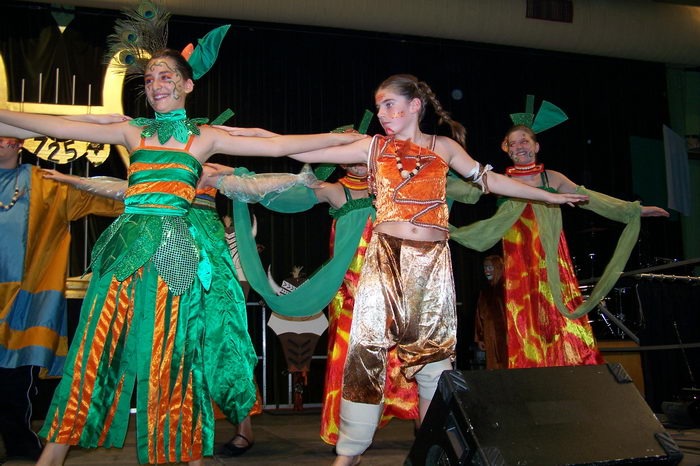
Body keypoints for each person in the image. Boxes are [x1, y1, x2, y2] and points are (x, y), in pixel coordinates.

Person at [0, 39, 364, 464]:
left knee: (174, 355)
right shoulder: (132, 130)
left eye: (166, 76)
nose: (156, 84)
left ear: (188, 85)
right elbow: (55, 128)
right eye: (150, 78)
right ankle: (51, 456)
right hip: (124, 254)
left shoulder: (203, 137)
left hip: (176, 255)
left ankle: (185, 451)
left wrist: (354, 144)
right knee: (94, 351)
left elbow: (278, 146)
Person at [219, 74, 588, 465]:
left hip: (431, 266)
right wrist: (233, 135)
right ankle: (348, 453)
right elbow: (288, 146)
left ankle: (430, 450)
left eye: (390, 104)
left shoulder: (443, 147)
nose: (382, 113)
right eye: (378, 106)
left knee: (433, 359)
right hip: (385, 259)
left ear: (415, 106)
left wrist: (550, 195)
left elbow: (491, 181)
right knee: (366, 353)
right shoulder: (373, 148)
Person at [451, 119, 669, 369]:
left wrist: (636, 210)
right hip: (519, 261)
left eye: (525, 140)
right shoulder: (501, 181)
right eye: (513, 143)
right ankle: (531, 370)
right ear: (506, 149)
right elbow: (465, 190)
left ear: (536, 145)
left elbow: (593, 199)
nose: (519, 146)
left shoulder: (552, 178)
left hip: (553, 259)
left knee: (561, 308)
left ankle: (574, 366)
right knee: (525, 314)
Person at [0, 122, 124, 462]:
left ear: (19, 143)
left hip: (24, 299)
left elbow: (103, 198)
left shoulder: (47, 183)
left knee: (13, 378)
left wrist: (149, 193)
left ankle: (20, 443)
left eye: (5, 135)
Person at [474, 254, 508, 370]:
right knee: (493, 364)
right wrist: (479, 338)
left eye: (490, 267)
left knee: (506, 361)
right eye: (485, 268)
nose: (486, 271)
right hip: (489, 334)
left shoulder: (506, 289)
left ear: (498, 268)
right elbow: (479, 316)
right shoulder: (485, 291)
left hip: (505, 334)